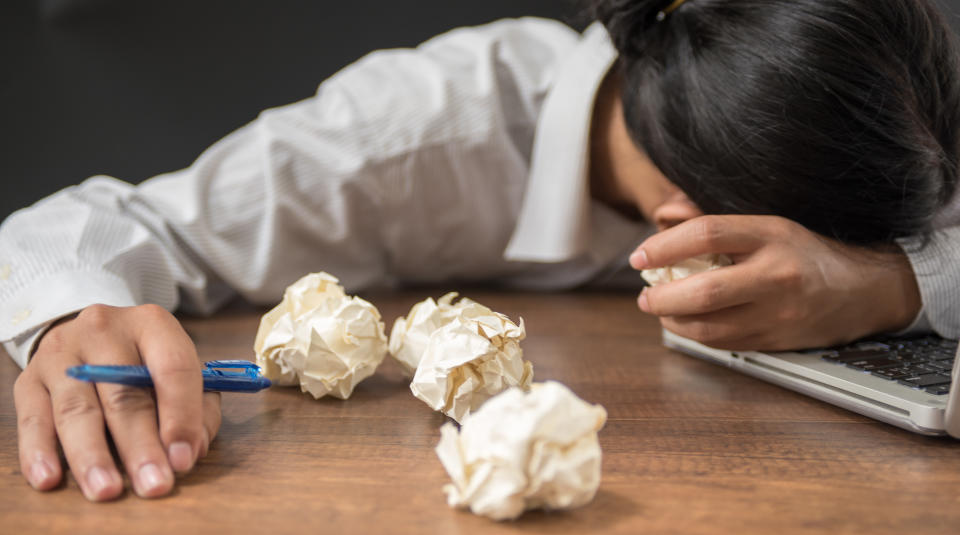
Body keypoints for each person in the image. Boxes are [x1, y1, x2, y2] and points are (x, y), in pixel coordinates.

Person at [2, 0, 959, 502]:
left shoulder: (888, 118)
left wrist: (889, 280)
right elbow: (103, 219)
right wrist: (68, 315)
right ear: (687, 222)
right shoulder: (408, 135)